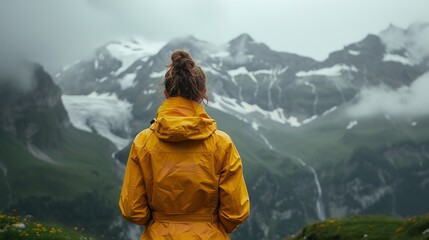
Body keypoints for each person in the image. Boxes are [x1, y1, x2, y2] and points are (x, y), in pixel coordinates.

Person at [119, 50, 250, 239]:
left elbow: (133, 209)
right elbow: (236, 211)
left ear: (166, 93)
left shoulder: (143, 142)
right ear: (203, 92)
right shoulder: (222, 144)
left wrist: (159, 222)